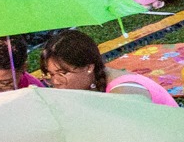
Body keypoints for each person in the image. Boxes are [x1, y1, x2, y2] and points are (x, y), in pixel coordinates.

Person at [37, 28, 174, 106]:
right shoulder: (93, 81)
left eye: (62, 73)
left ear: (89, 67)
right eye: (51, 74)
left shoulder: (124, 93)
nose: (55, 81)